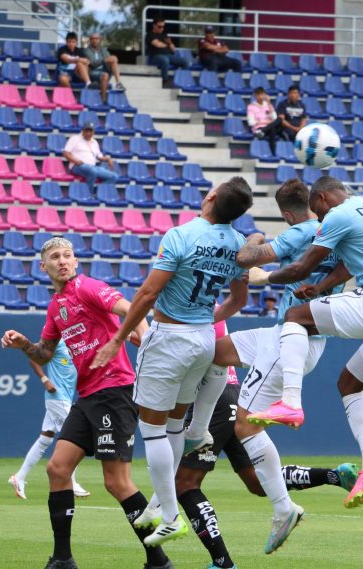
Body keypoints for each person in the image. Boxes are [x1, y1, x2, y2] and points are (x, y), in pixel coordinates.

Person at [239, 176, 363, 512]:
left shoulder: (339, 214)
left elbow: (301, 267)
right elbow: (345, 265)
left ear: (325, 198)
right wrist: (323, 286)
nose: (321, 221)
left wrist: (263, 277)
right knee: (350, 384)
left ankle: (290, 402)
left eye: (320, 213)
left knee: (295, 317)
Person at [90, 177, 253, 548]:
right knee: (176, 423)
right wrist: (204, 321)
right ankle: (160, 504)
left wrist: (118, 337)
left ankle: (169, 516)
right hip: (202, 340)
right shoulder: (238, 244)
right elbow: (238, 302)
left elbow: (148, 293)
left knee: (153, 430)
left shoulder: (180, 235)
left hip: (168, 339)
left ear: (210, 197)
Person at [0, 237, 173, 569]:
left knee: (116, 482)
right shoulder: (56, 307)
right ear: (44, 267)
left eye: (67, 255)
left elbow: (132, 308)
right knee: (58, 468)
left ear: (76, 262)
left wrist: (146, 340)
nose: (62, 261)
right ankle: (62, 558)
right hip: (88, 395)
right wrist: (24, 344)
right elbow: (45, 353)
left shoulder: (89, 287)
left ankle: (159, 560)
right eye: (55, 257)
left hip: (115, 392)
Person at [137, 316, 363, 569]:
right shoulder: (208, 312)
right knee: (257, 481)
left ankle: (222, 563)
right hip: (231, 395)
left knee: (185, 484)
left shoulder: (186, 316)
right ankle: (334, 476)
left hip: (214, 403)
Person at [8, 340, 89, 501]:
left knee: (45, 439)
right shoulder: (58, 342)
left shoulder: (78, 344)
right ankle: (71, 482)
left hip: (64, 397)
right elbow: (33, 358)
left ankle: (19, 477)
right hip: (57, 398)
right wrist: (45, 380)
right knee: (75, 439)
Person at [62, 122, 117, 191]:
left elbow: (99, 157)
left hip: (92, 166)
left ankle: (98, 193)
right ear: (83, 130)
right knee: (92, 171)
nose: (88, 133)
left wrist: (108, 159)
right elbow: (65, 153)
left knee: (114, 176)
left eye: (90, 131)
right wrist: (75, 161)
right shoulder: (75, 139)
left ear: (93, 132)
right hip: (77, 166)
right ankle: (88, 194)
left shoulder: (94, 142)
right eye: (86, 130)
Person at [146, 18, 188, 85]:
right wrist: (168, 44)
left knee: (184, 61)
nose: (162, 28)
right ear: (154, 25)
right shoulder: (150, 35)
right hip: (155, 56)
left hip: (169, 56)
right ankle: (165, 81)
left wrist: (170, 43)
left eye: (163, 27)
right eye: (159, 27)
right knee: (165, 60)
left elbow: (174, 50)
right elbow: (158, 45)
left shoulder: (165, 35)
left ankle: (183, 81)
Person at [84, 32, 125, 101]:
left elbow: (108, 60)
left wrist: (111, 59)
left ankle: (118, 83)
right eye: (93, 39)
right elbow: (92, 63)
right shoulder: (86, 51)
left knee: (113, 59)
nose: (95, 40)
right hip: (93, 72)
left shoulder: (104, 50)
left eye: (97, 39)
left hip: (104, 70)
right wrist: (104, 60)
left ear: (100, 40)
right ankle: (103, 99)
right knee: (105, 75)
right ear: (90, 40)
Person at [247, 87, 280, 155]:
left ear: (265, 95)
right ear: (255, 95)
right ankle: (273, 152)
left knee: (279, 120)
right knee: (272, 128)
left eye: (262, 94)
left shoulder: (268, 105)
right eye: (258, 95)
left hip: (265, 130)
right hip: (258, 128)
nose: (260, 96)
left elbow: (274, 117)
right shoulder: (251, 106)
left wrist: (269, 103)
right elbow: (251, 123)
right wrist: (265, 122)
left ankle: (273, 153)